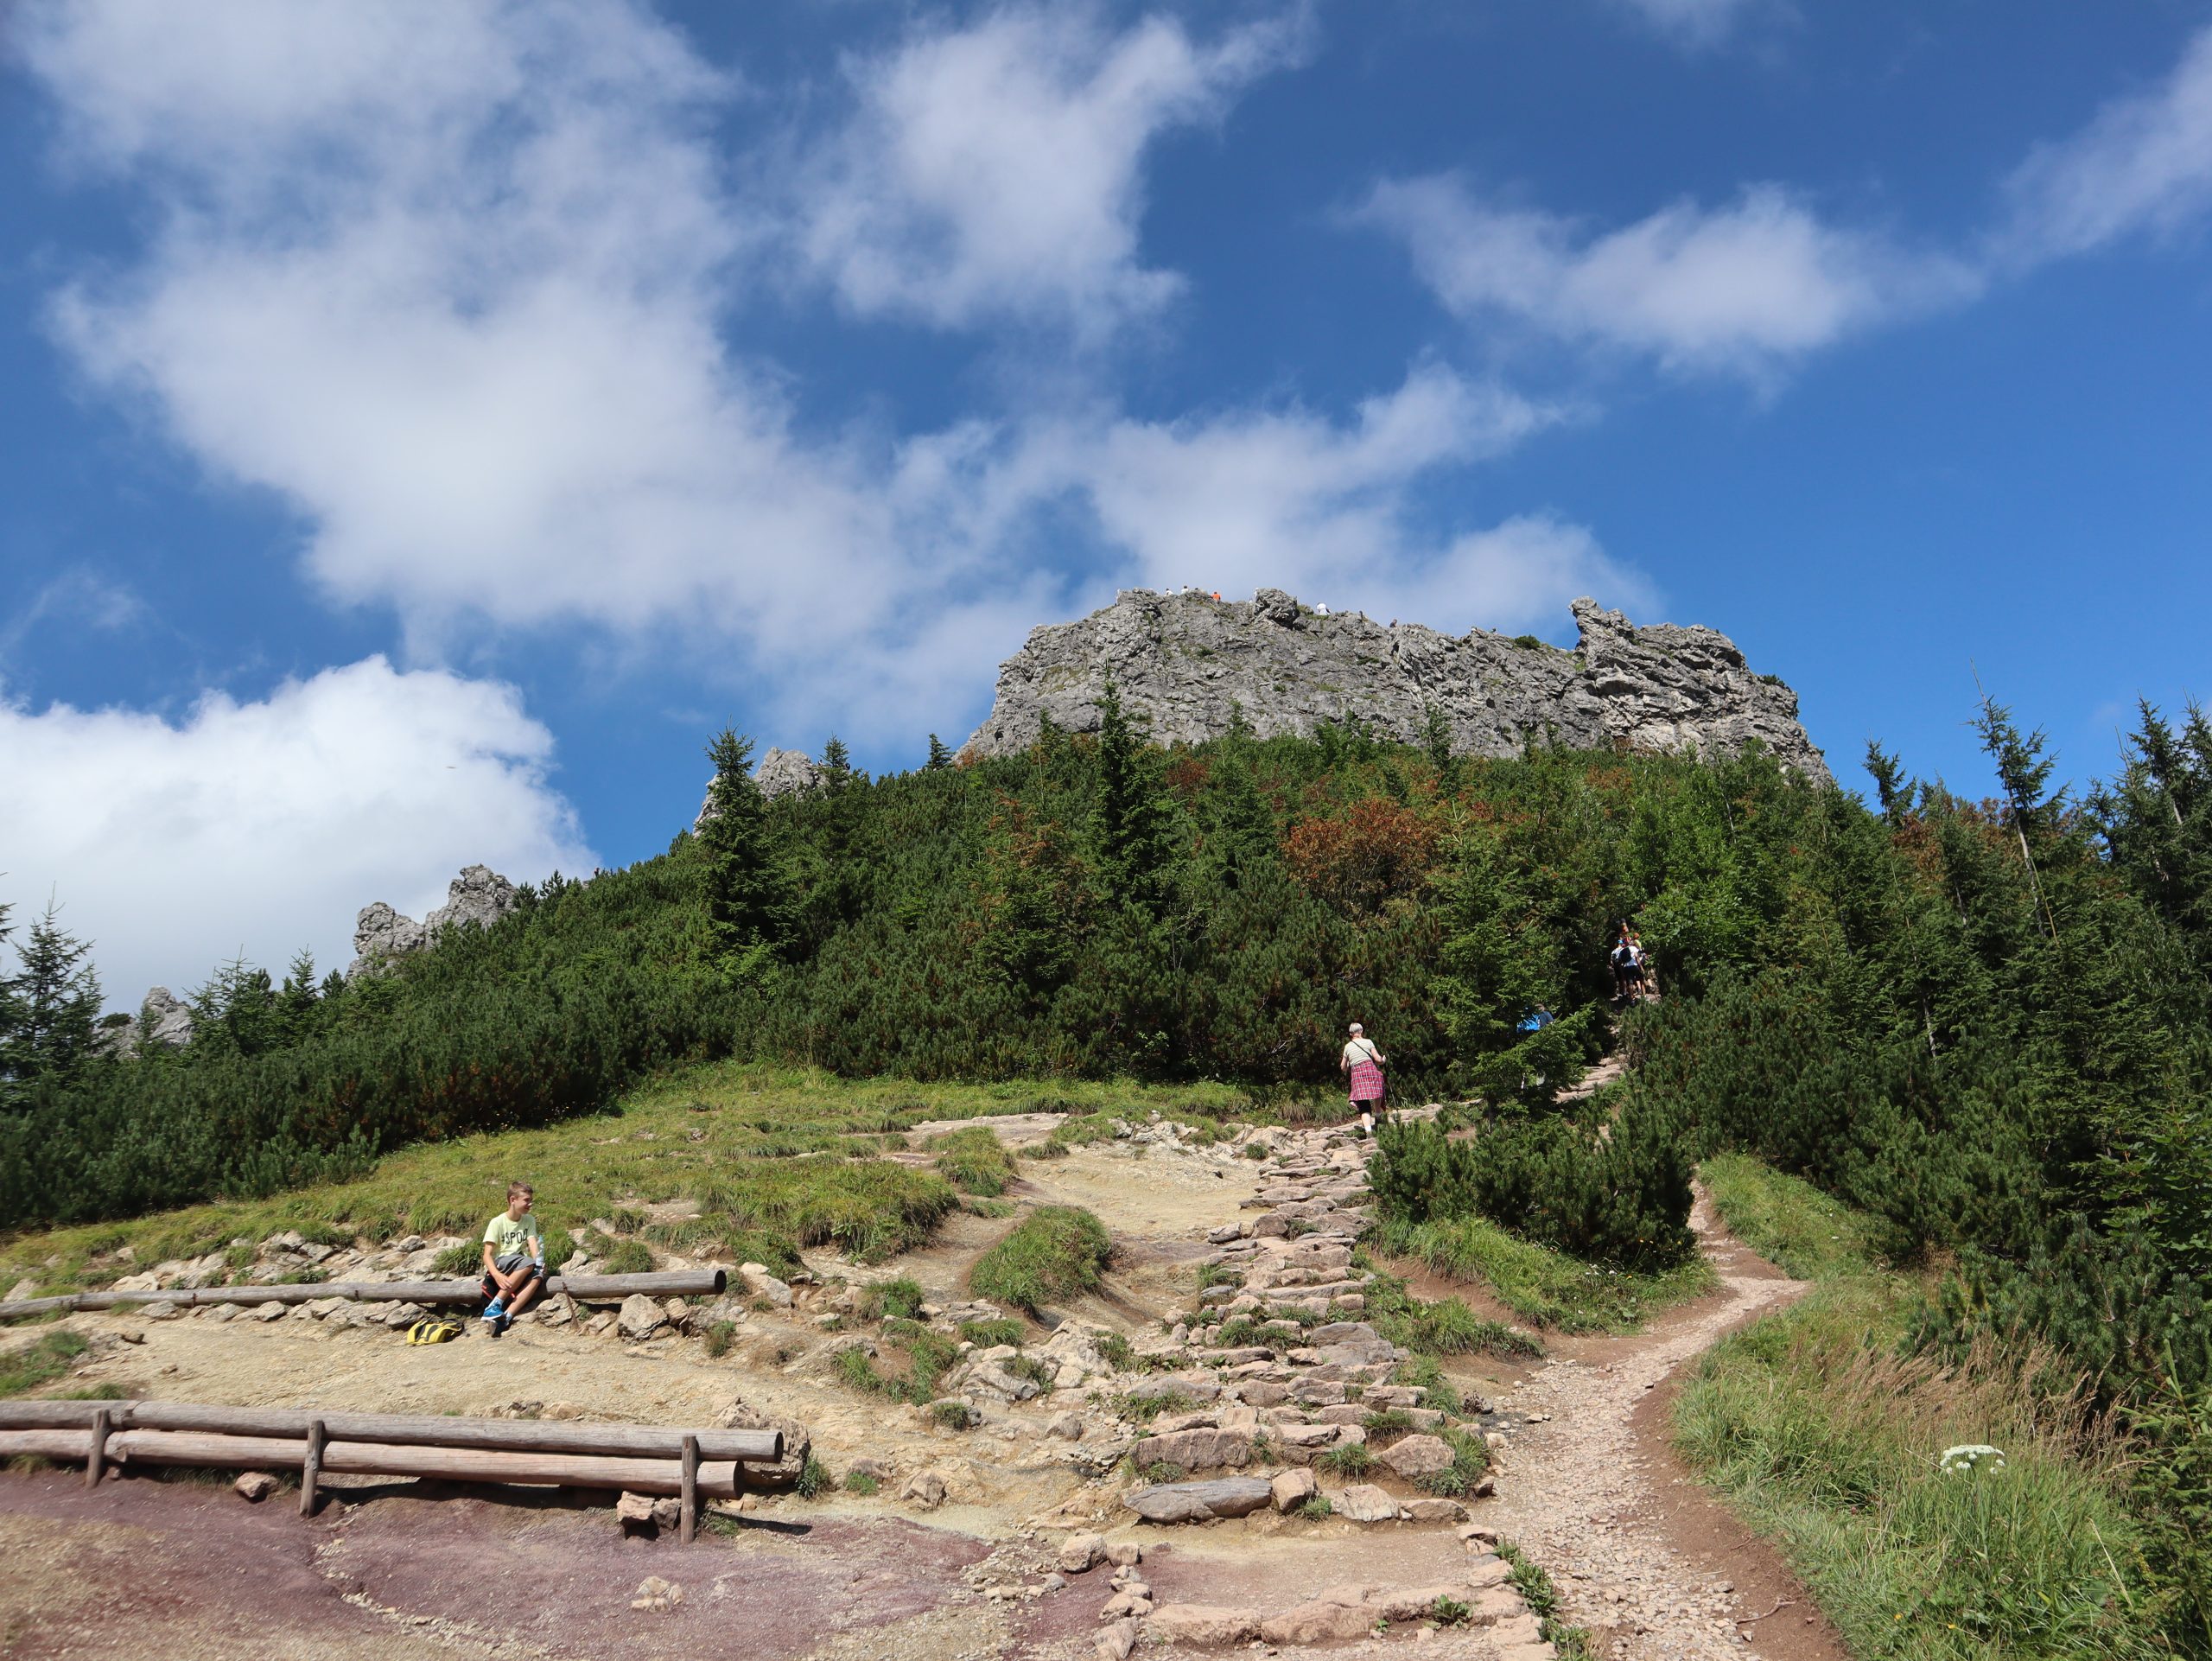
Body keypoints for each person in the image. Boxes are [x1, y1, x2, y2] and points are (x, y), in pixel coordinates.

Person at [480, 1180, 547, 1337]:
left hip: (521, 1262)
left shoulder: (529, 1220)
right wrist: (497, 1274)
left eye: (531, 1200)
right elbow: (486, 1255)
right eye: (526, 1200)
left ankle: (506, 1317)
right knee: (528, 1263)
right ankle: (494, 1306)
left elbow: (533, 1245)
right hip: (502, 1262)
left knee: (537, 1276)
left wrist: (540, 1263)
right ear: (513, 1200)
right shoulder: (497, 1222)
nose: (530, 1204)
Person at [1340, 1022, 1387, 1136]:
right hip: (1371, 1071)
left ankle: (1368, 1131)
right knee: (1377, 1093)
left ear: (1351, 1034)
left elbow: (1343, 1067)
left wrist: (1347, 1069)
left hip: (1358, 1076)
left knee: (1363, 1104)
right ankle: (1378, 1116)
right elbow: (1378, 1059)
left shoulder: (1348, 1047)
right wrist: (1383, 1060)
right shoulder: (1368, 1042)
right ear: (1361, 1031)